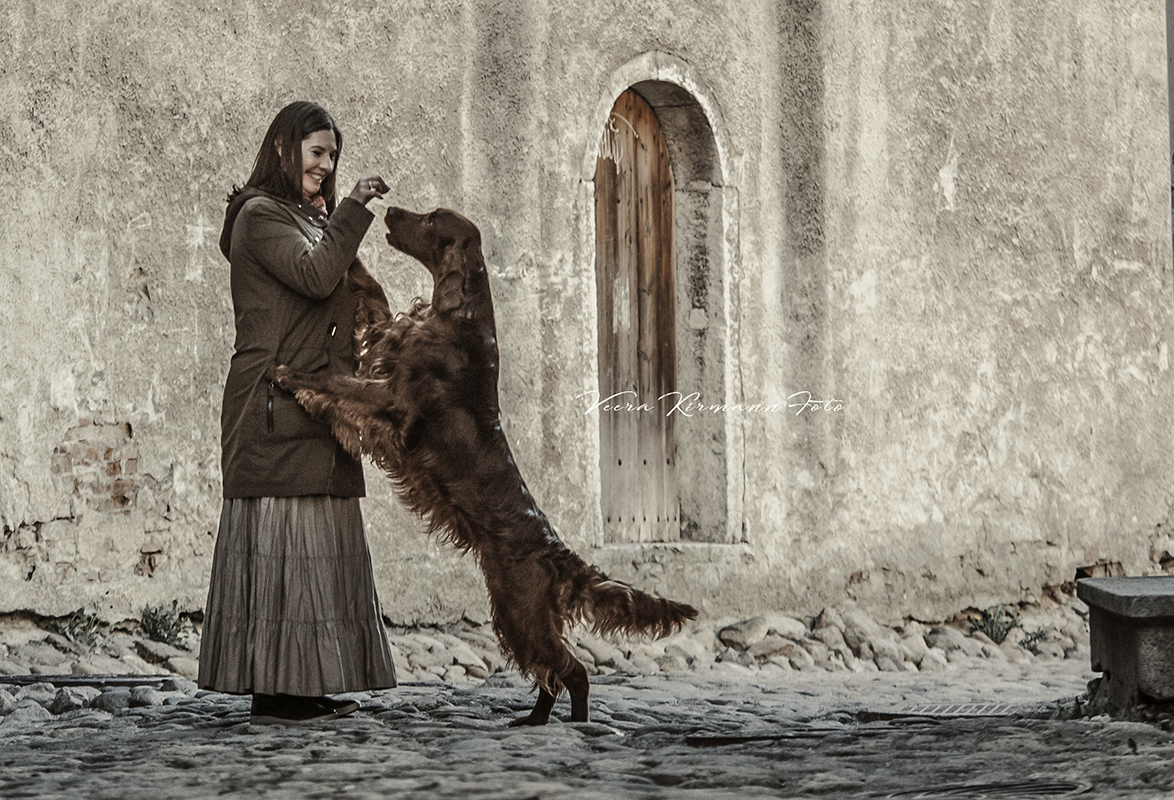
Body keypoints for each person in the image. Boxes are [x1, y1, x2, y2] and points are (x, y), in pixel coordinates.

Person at [197, 101, 397, 725]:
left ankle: (302, 683)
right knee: (285, 545)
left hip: (310, 401)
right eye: (317, 153)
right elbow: (315, 278)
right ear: (285, 151)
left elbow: (333, 281)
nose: (326, 165)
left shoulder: (304, 220)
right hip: (272, 405)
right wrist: (353, 210)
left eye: (332, 156)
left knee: (316, 547)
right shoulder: (259, 218)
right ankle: (274, 691)